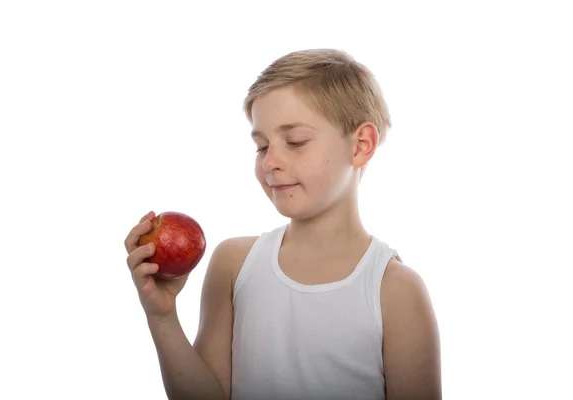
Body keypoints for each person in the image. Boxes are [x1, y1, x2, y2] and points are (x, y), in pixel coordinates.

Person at [124, 48, 441, 400]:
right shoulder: (233, 263)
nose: (270, 161)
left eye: (295, 141)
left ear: (361, 145)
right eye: (261, 146)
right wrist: (162, 316)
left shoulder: (396, 291)